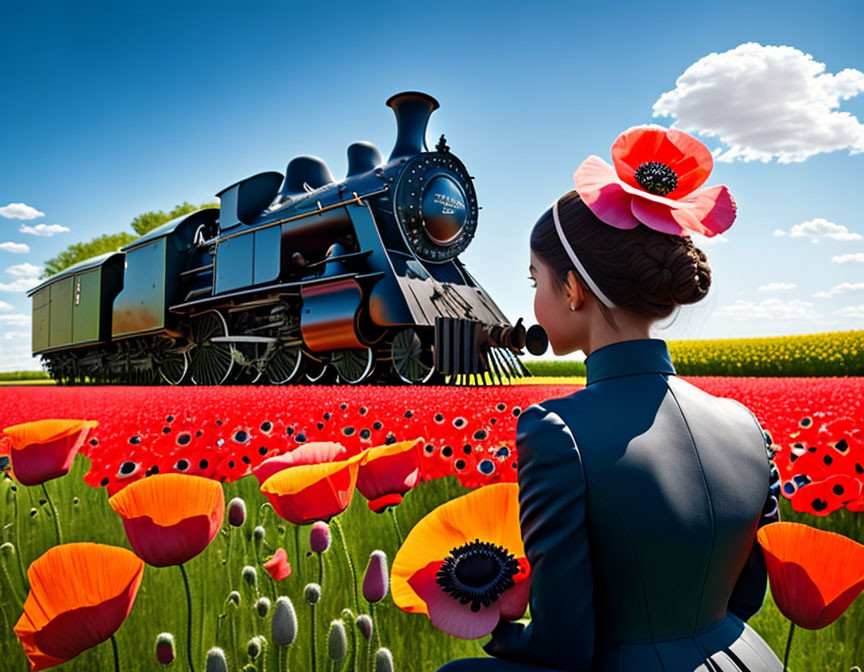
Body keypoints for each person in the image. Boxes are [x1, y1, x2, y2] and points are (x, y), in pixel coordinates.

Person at [436, 125, 783, 671]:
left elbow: (564, 646)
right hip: (748, 657)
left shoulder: (555, 431)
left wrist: (500, 632)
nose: (533, 298)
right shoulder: (745, 424)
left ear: (572, 290)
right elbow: (747, 597)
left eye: (535, 279)